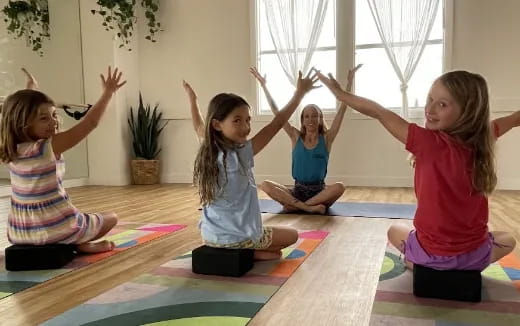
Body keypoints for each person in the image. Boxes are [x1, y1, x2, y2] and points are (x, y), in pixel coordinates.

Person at [317, 69, 516, 271]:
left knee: (394, 230)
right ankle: (454, 267)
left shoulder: (427, 143)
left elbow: (378, 111)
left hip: (430, 255)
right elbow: (510, 121)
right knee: (508, 239)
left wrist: (340, 94)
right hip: (473, 258)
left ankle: (417, 262)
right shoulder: (482, 139)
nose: (430, 109)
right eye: (430, 99)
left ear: (467, 113)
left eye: (442, 104)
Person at [188, 71, 319, 260]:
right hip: (239, 238)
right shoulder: (240, 153)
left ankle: (251, 252)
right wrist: (299, 94)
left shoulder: (208, 149)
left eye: (248, 120)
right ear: (217, 125)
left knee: (273, 250)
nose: (245, 127)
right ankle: (249, 252)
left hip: (211, 237)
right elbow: (276, 124)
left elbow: (198, 125)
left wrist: (193, 100)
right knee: (292, 236)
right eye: (237, 121)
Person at [0, 66, 126, 253]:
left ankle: (76, 242)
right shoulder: (47, 148)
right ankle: (79, 243)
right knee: (112, 217)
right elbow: (90, 123)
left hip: (21, 233)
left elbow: (16, 114)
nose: (53, 122)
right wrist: (108, 92)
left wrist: (32, 89)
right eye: (44, 118)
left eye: (53, 115)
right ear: (23, 122)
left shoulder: (11, 150)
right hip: (56, 229)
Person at [251, 65, 362, 214]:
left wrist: (349, 83)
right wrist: (264, 86)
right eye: (307, 116)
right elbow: (277, 112)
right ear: (302, 120)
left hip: (319, 193)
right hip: (297, 190)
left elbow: (342, 110)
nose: (311, 119)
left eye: (315, 115)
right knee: (265, 185)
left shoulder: (327, 138)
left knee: (339, 187)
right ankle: (308, 208)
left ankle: (300, 206)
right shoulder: (295, 136)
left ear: (320, 119)